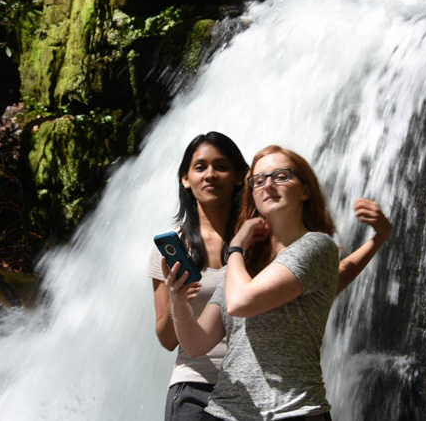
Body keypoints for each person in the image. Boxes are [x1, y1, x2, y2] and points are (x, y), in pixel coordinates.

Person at [148, 133, 392, 421]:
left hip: (295, 411)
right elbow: (196, 343)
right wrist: (177, 301)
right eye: (260, 180)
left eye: (281, 175)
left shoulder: (313, 246)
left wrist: (236, 246)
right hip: (223, 409)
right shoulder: (241, 266)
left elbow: (245, 300)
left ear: (305, 190)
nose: (269, 184)